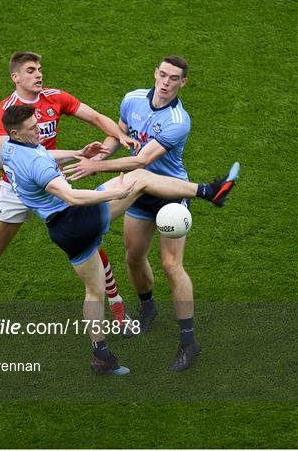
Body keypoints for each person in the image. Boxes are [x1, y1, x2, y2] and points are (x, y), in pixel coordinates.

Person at [0, 104, 240, 374]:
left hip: (61, 233)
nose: (39, 131)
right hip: (77, 218)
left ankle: (101, 356)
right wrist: (115, 194)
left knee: (94, 291)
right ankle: (210, 191)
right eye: (32, 129)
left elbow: (43, 152)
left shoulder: (10, 148)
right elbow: (73, 197)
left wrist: (76, 154)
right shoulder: (36, 164)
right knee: (138, 179)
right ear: (16, 133)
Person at [63, 55, 237, 371]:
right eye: (163, 75)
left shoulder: (177, 121)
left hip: (169, 194)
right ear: (155, 73)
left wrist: (97, 167)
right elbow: (120, 133)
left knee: (172, 265)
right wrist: (103, 151)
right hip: (140, 196)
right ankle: (148, 308)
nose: (166, 82)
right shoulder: (132, 99)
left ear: (183, 82)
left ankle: (188, 342)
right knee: (133, 256)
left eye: (174, 78)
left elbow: (142, 161)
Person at [0, 52, 140, 331]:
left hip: (51, 181)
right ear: (15, 77)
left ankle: (118, 307)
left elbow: (95, 117)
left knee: (87, 239)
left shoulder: (54, 98)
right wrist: (32, 160)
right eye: (30, 70)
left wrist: (119, 136)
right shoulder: (7, 112)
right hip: (16, 188)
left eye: (39, 69)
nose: (38, 74)